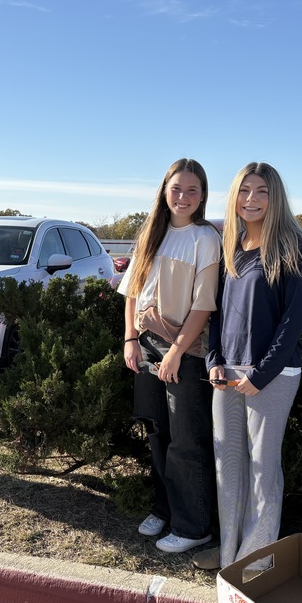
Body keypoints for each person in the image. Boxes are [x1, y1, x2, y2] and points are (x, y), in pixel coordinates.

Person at [196, 162, 302, 572]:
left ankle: (255, 561)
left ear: (275, 196)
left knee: (263, 468)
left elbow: (293, 321)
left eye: (261, 191)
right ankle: (229, 553)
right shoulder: (231, 246)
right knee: (228, 467)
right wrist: (214, 361)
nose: (252, 199)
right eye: (244, 190)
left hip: (272, 376)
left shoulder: (294, 248)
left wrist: (261, 374)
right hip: (227, 373)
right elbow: (218, 313)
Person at [119, 158, 221, 554]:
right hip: (146, 345)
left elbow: (203, 305)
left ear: (203, 196)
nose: (183, 197)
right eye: (176, 188)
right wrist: (130, 338)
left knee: (186, 441)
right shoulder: (151, 234)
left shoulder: (204, 238)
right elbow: (132, 293)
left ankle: (194, 526)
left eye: (192, 190)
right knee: (157, 431)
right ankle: (164, 509)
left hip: (186, 350)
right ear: (164, 190)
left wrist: (177, 352)